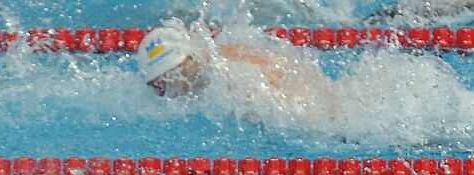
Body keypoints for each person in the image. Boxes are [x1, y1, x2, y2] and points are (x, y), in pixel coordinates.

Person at [137, 21, 335, 102]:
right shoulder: (211, 62)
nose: (163, 94)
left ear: (181, 67)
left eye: (162, 86)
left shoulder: (226, 74)